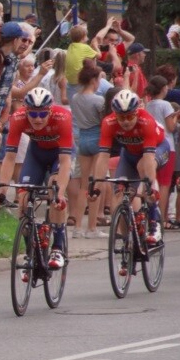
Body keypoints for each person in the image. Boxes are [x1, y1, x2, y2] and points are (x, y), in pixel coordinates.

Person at [0, 88, 74, 269]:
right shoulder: (18, 117)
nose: (37, 118)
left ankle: (58, 247)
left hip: (58, 156)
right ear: (25, 110)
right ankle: (31, 251)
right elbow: (10, 157)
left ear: (50, 111)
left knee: (54, 193)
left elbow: (66, 161)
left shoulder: (63, 117)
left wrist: (59, 193)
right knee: (23, 197)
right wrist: (3, 189)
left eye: (42, 114)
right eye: (33, 114)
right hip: (36, 154)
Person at [88, 90, 166, 250]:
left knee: (143, 167)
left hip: (157, 149)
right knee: (120, 193)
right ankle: (127, 242)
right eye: (121, 117)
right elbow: (103, 156)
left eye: (130, 116)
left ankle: (154, 221)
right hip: (129, 154)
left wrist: (150, 185)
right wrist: (96, 185)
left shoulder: (146, 121)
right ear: (114, 114)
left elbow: (149, 158)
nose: (125, 121)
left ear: (137, 112)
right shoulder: (108, 123)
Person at [69, 64, 108, 238]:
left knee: (84, 185)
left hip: (82, 138)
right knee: (96, 184)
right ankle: (92, 228)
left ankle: (77, 226)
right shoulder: (99, 100)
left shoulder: (75, 97)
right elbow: (103, 121)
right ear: (94, 80)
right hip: (97, 137)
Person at [145, 76, 179, 229]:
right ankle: (162, 217)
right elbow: (171, 127)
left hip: (151, 144)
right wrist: (177, 118)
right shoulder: (166, 105)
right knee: (165, 183)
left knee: (153, 180)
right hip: (167, 145)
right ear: (163, 88)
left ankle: (150, 213)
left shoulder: (148, 105)